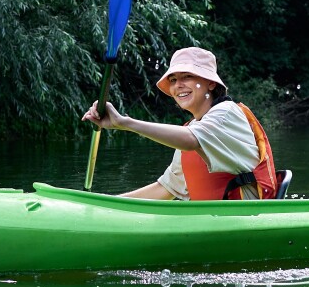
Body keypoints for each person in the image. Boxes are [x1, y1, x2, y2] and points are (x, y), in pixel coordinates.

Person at [82, 47, 278, 200]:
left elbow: (191, 140)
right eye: (173, 79)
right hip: (211, 219)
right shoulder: (191, 128)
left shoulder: (226, 113)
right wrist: (108, 204)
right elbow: (166, 189)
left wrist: (125, 123)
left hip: (243, 218)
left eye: (187, 77)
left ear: (211, 83)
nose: (178, 85)